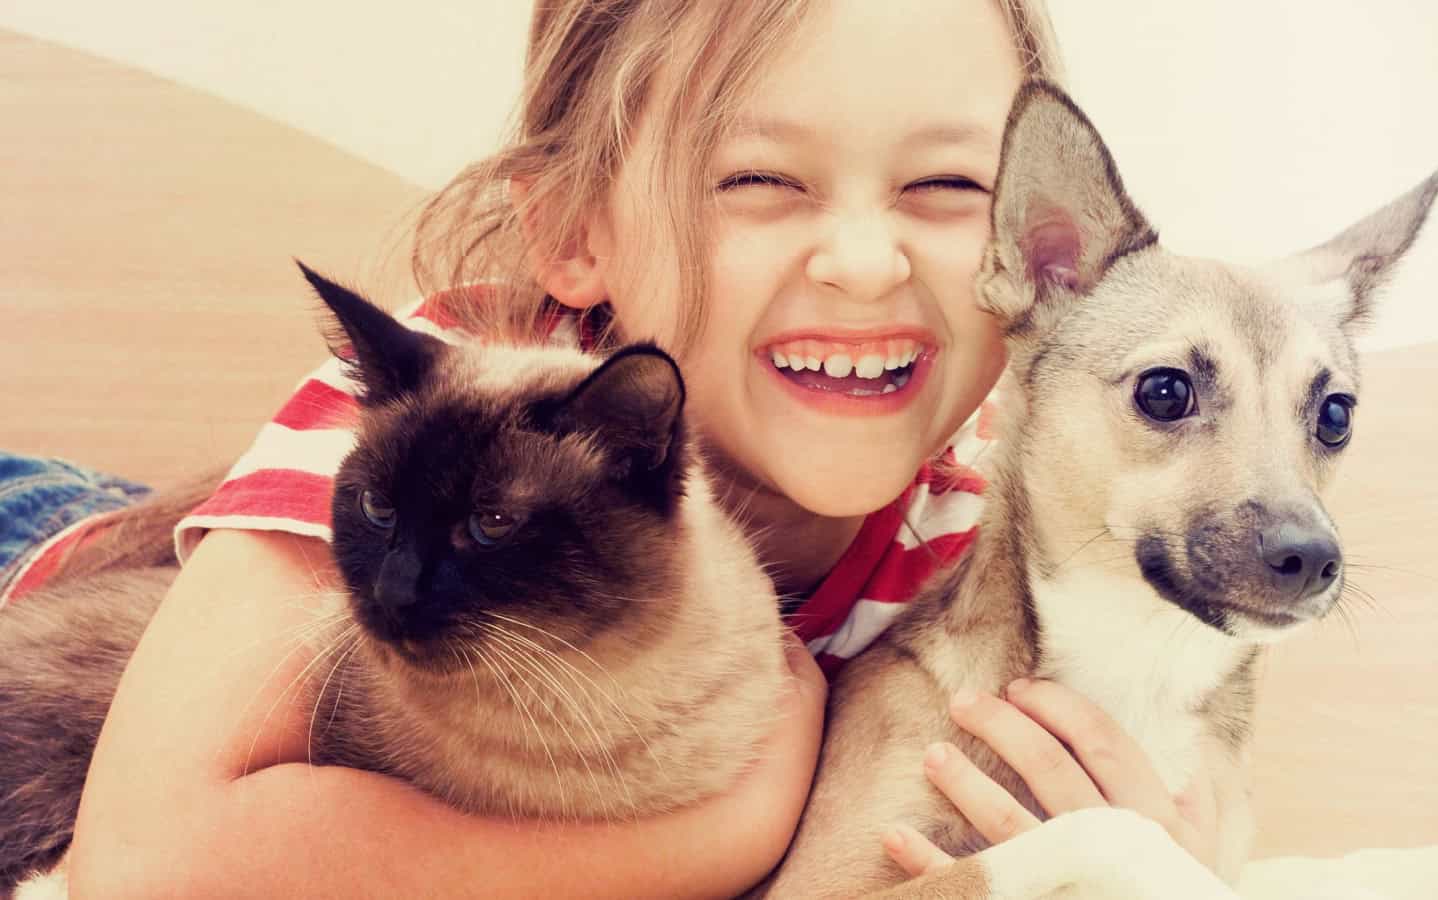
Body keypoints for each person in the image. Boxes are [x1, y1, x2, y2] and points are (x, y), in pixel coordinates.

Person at [3, 1, 1231, 896]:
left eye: (950, 187)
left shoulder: (977, 541)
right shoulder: (452, 406)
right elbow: (144, 860)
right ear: (575, 233)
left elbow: (1187, 806)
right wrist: (728, 825)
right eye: (760, 177)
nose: (867, 262)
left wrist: (1139, 851)